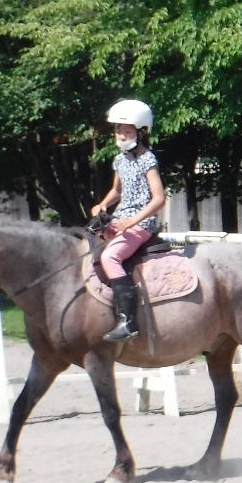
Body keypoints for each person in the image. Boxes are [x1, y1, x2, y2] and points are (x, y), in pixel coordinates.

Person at [90, 100, 166, 342]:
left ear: (141, 132)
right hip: (120, 220)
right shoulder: (120, 160)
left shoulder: (147, 160)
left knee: (110, 257)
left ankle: (128, 321)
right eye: (118, 130)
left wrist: (133, 221)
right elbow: (117, 191)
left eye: (127, 131)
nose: (121, 135)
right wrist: (103, 204)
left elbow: (159, 198)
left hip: (141, 224)